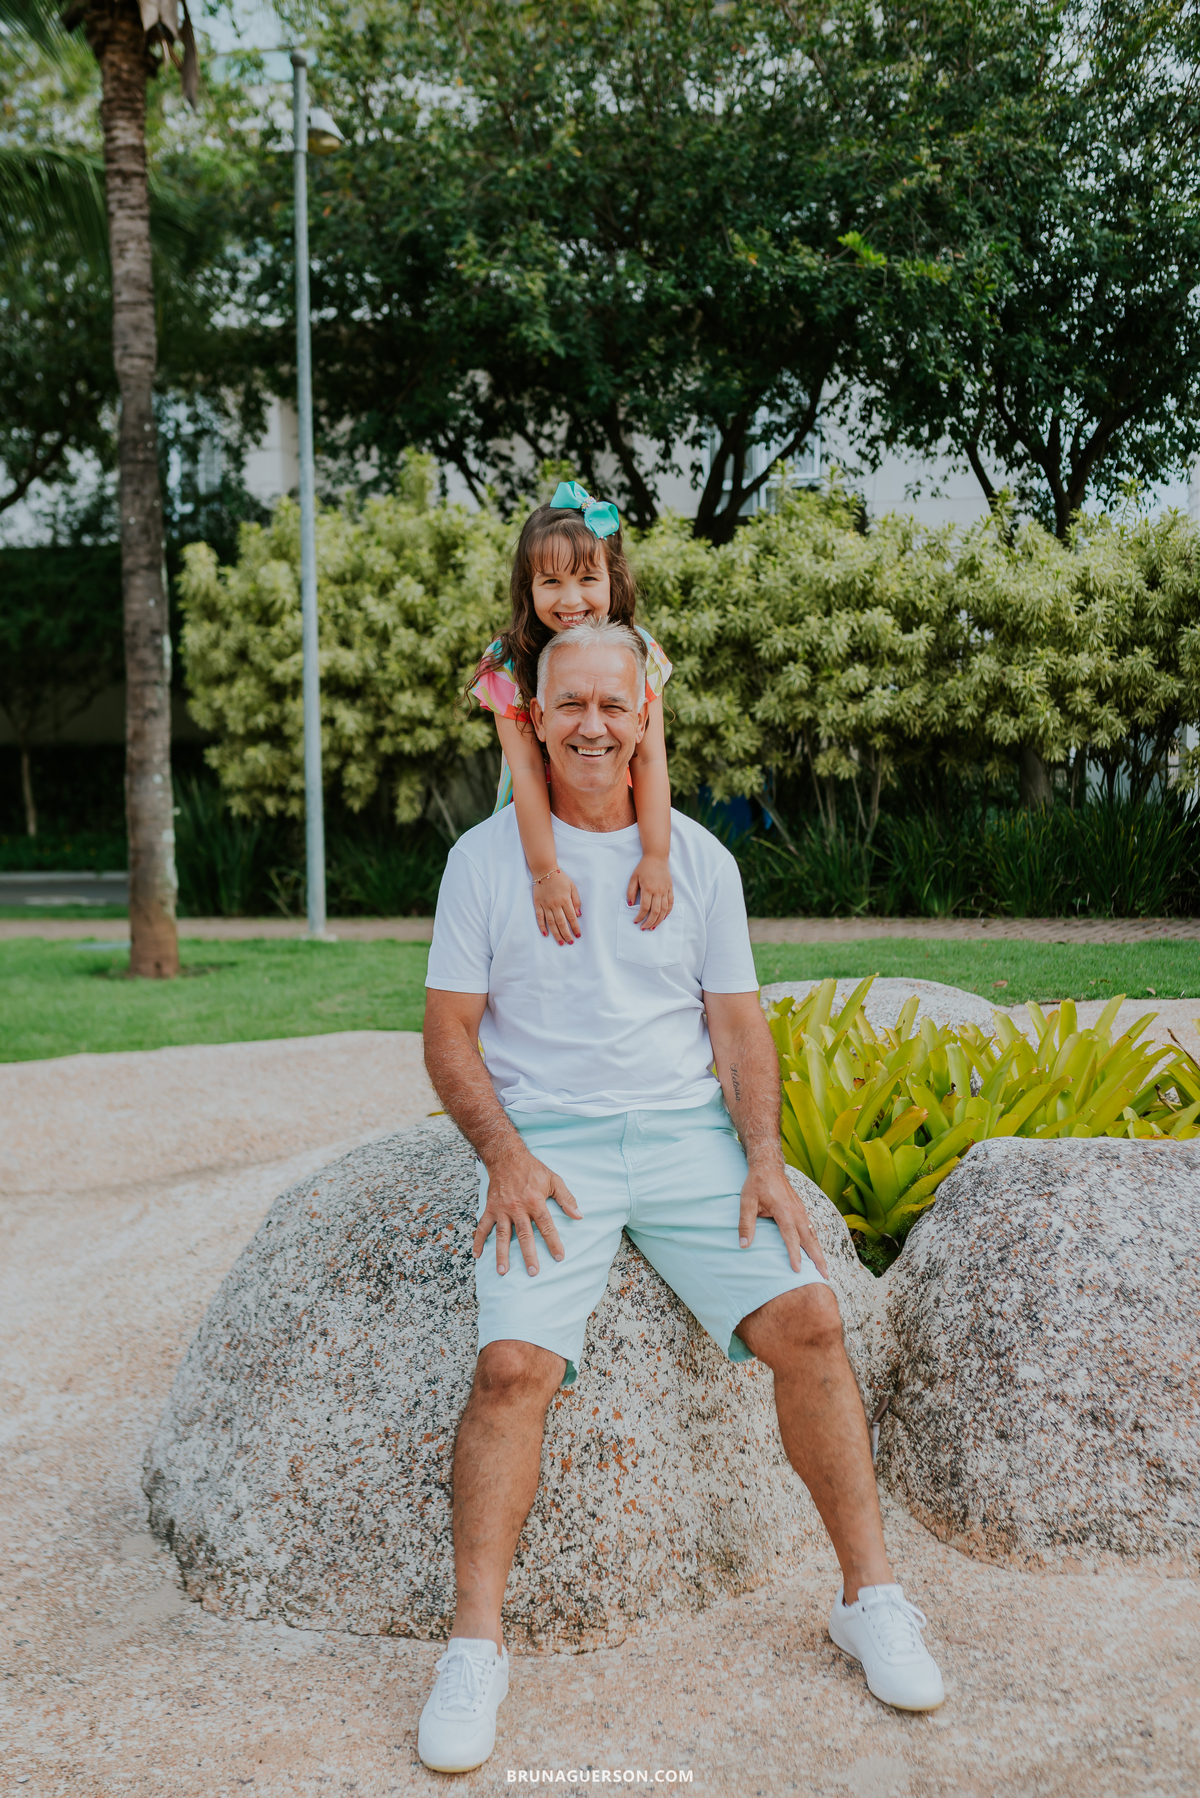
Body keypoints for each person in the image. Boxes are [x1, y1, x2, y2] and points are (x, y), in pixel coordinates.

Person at [420, 619, 945, 1774]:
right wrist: (503, 1153)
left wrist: (763, 1155)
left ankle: (872, 1596)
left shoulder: (699, 858)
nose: (594, 724)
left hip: (684, 1141)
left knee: (811, 1319)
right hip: (549, 1144)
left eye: (616, 704)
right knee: (512, 1368)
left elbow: (737, 1026)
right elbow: (449, 1035)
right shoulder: (486, 858)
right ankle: (474, 1648)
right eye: (571, 706)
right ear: (537, 716)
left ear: (643, 716)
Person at [470, 480, 674, 946]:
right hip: (536, 831)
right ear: (529, 587)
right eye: (551, 582)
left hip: (614, 819)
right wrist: (544, 873)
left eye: (586, 579)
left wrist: (656, 856)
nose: (570, 599)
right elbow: (523, 770)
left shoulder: (637, 651)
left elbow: (649, 758)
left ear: (612, 580)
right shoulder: (509, 661)